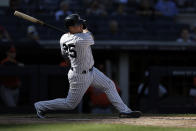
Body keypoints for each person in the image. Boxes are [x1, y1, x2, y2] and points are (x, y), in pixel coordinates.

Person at [34, 14, 142, 118]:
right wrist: (84, 29)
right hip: (80, 75)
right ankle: (40, 106)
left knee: (109, 85)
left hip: (91, 71)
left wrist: (74, 34)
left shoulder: (63, 38)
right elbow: (91, 36)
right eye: (78, 24)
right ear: (71, 27)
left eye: (81, 24)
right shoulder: (82, 39)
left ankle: (125, 111)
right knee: (70, 104)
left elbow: (64, 56)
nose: (81, 26)